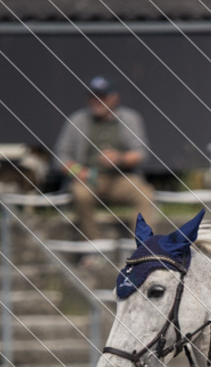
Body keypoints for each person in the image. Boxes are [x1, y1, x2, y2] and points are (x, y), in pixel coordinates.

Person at [55, 75, 157, 245]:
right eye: (92, 97)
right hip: (89, 179)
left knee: (145, 193)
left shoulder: (130, 119)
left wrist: (119, 158)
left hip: (120, 178)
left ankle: (142, 247)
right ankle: (92, 245)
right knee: (80, 194)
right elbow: (60, 156)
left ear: (114, 98)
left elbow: (141, 153)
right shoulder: (77, 120)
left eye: (101, 97)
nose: (96, 101)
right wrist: (78, 171)